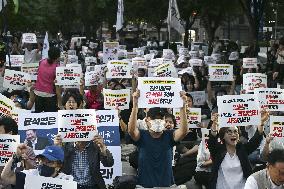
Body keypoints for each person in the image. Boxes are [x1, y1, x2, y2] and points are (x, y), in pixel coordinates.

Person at [128, 90, 188, 188]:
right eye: (154, 118)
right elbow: (131, 130)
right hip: (145, 184)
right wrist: (135, 105)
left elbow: (184, 131)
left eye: (160, 118)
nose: (158, 121)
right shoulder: (142, 135)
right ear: (147, 120)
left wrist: (183, 107)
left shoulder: (169, 135)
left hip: (166, 184)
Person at [54, 90, 114, 189]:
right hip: (71, 186)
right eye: (69, 102)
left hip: (93, 186)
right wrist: (57, 149)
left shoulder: (95, 143)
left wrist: (103, 148)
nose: (71, 104)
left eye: (74, 102)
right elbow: (57, 166)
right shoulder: (64, 142)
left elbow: (109, 164)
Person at [208, 111, 269, 189]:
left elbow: (255, 141)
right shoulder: (217, 151)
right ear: (223, 136)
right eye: (229, 132)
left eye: (235, 132)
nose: (233, 134)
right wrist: (214, 124)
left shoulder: (242, 149)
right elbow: (212, 142)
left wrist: (261, 122)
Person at [1, 145, 73, 189]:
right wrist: (16, 155)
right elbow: (5, 178)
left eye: (49, 162)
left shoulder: (66, 181)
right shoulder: (30, 175)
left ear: (58, 166)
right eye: (42, 160)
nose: (44, 164)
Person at [34, 47, 62, 112]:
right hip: (50, 95)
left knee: (38, 117)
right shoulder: (57, 67)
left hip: (38, 93)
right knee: (49, 117)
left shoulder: (41, 62)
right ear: (57, 57)